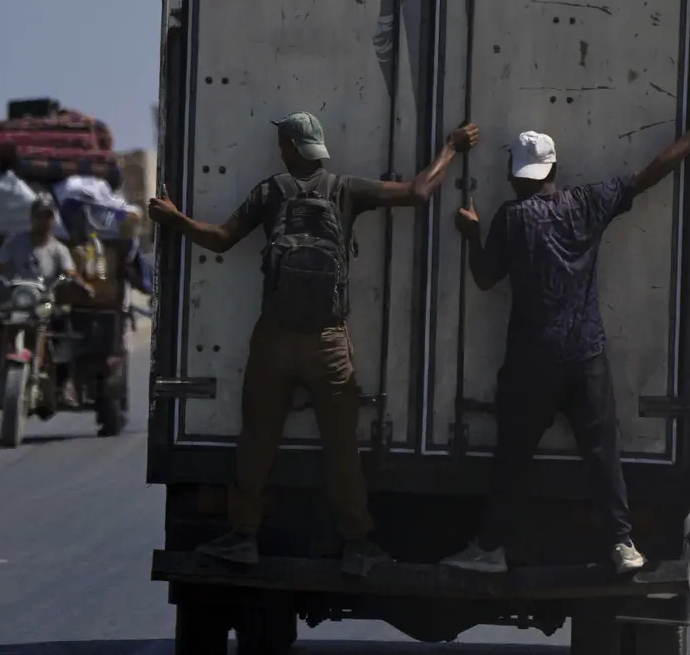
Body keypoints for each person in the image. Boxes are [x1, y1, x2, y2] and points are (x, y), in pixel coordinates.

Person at [148, 111, 479, 576]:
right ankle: (358, 543)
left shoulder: (270, 192)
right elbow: (419, 192)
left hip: (276, 339)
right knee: (341, 446)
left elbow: (222, 239)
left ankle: (243, 537)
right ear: (318, 148)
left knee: (258, 439)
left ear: (287, 147)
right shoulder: (346, 190)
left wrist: (175, 218)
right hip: (328, 342)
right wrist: (451, 148)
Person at [439, 103, 690, 575]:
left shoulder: (512, 218)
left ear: (517, 176)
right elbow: (649, 174)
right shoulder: (586, 204)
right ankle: (620, 543)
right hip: (584, 354)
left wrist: (471, 234)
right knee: (602, 454)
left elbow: (486, 278)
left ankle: (490, 549)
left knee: (512, 457)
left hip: (533, 360)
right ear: (552, 169)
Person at [0, 194, 96, 408]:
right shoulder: (15, 241)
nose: (44, 221)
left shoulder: (59, 249)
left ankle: (64, 382)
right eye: (40, 216)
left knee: (65, 331)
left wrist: (81, 284)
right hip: (17, 301)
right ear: (32, 218)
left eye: (48, 216)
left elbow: (70, 272)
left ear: (53, 220)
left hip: (44, 303)